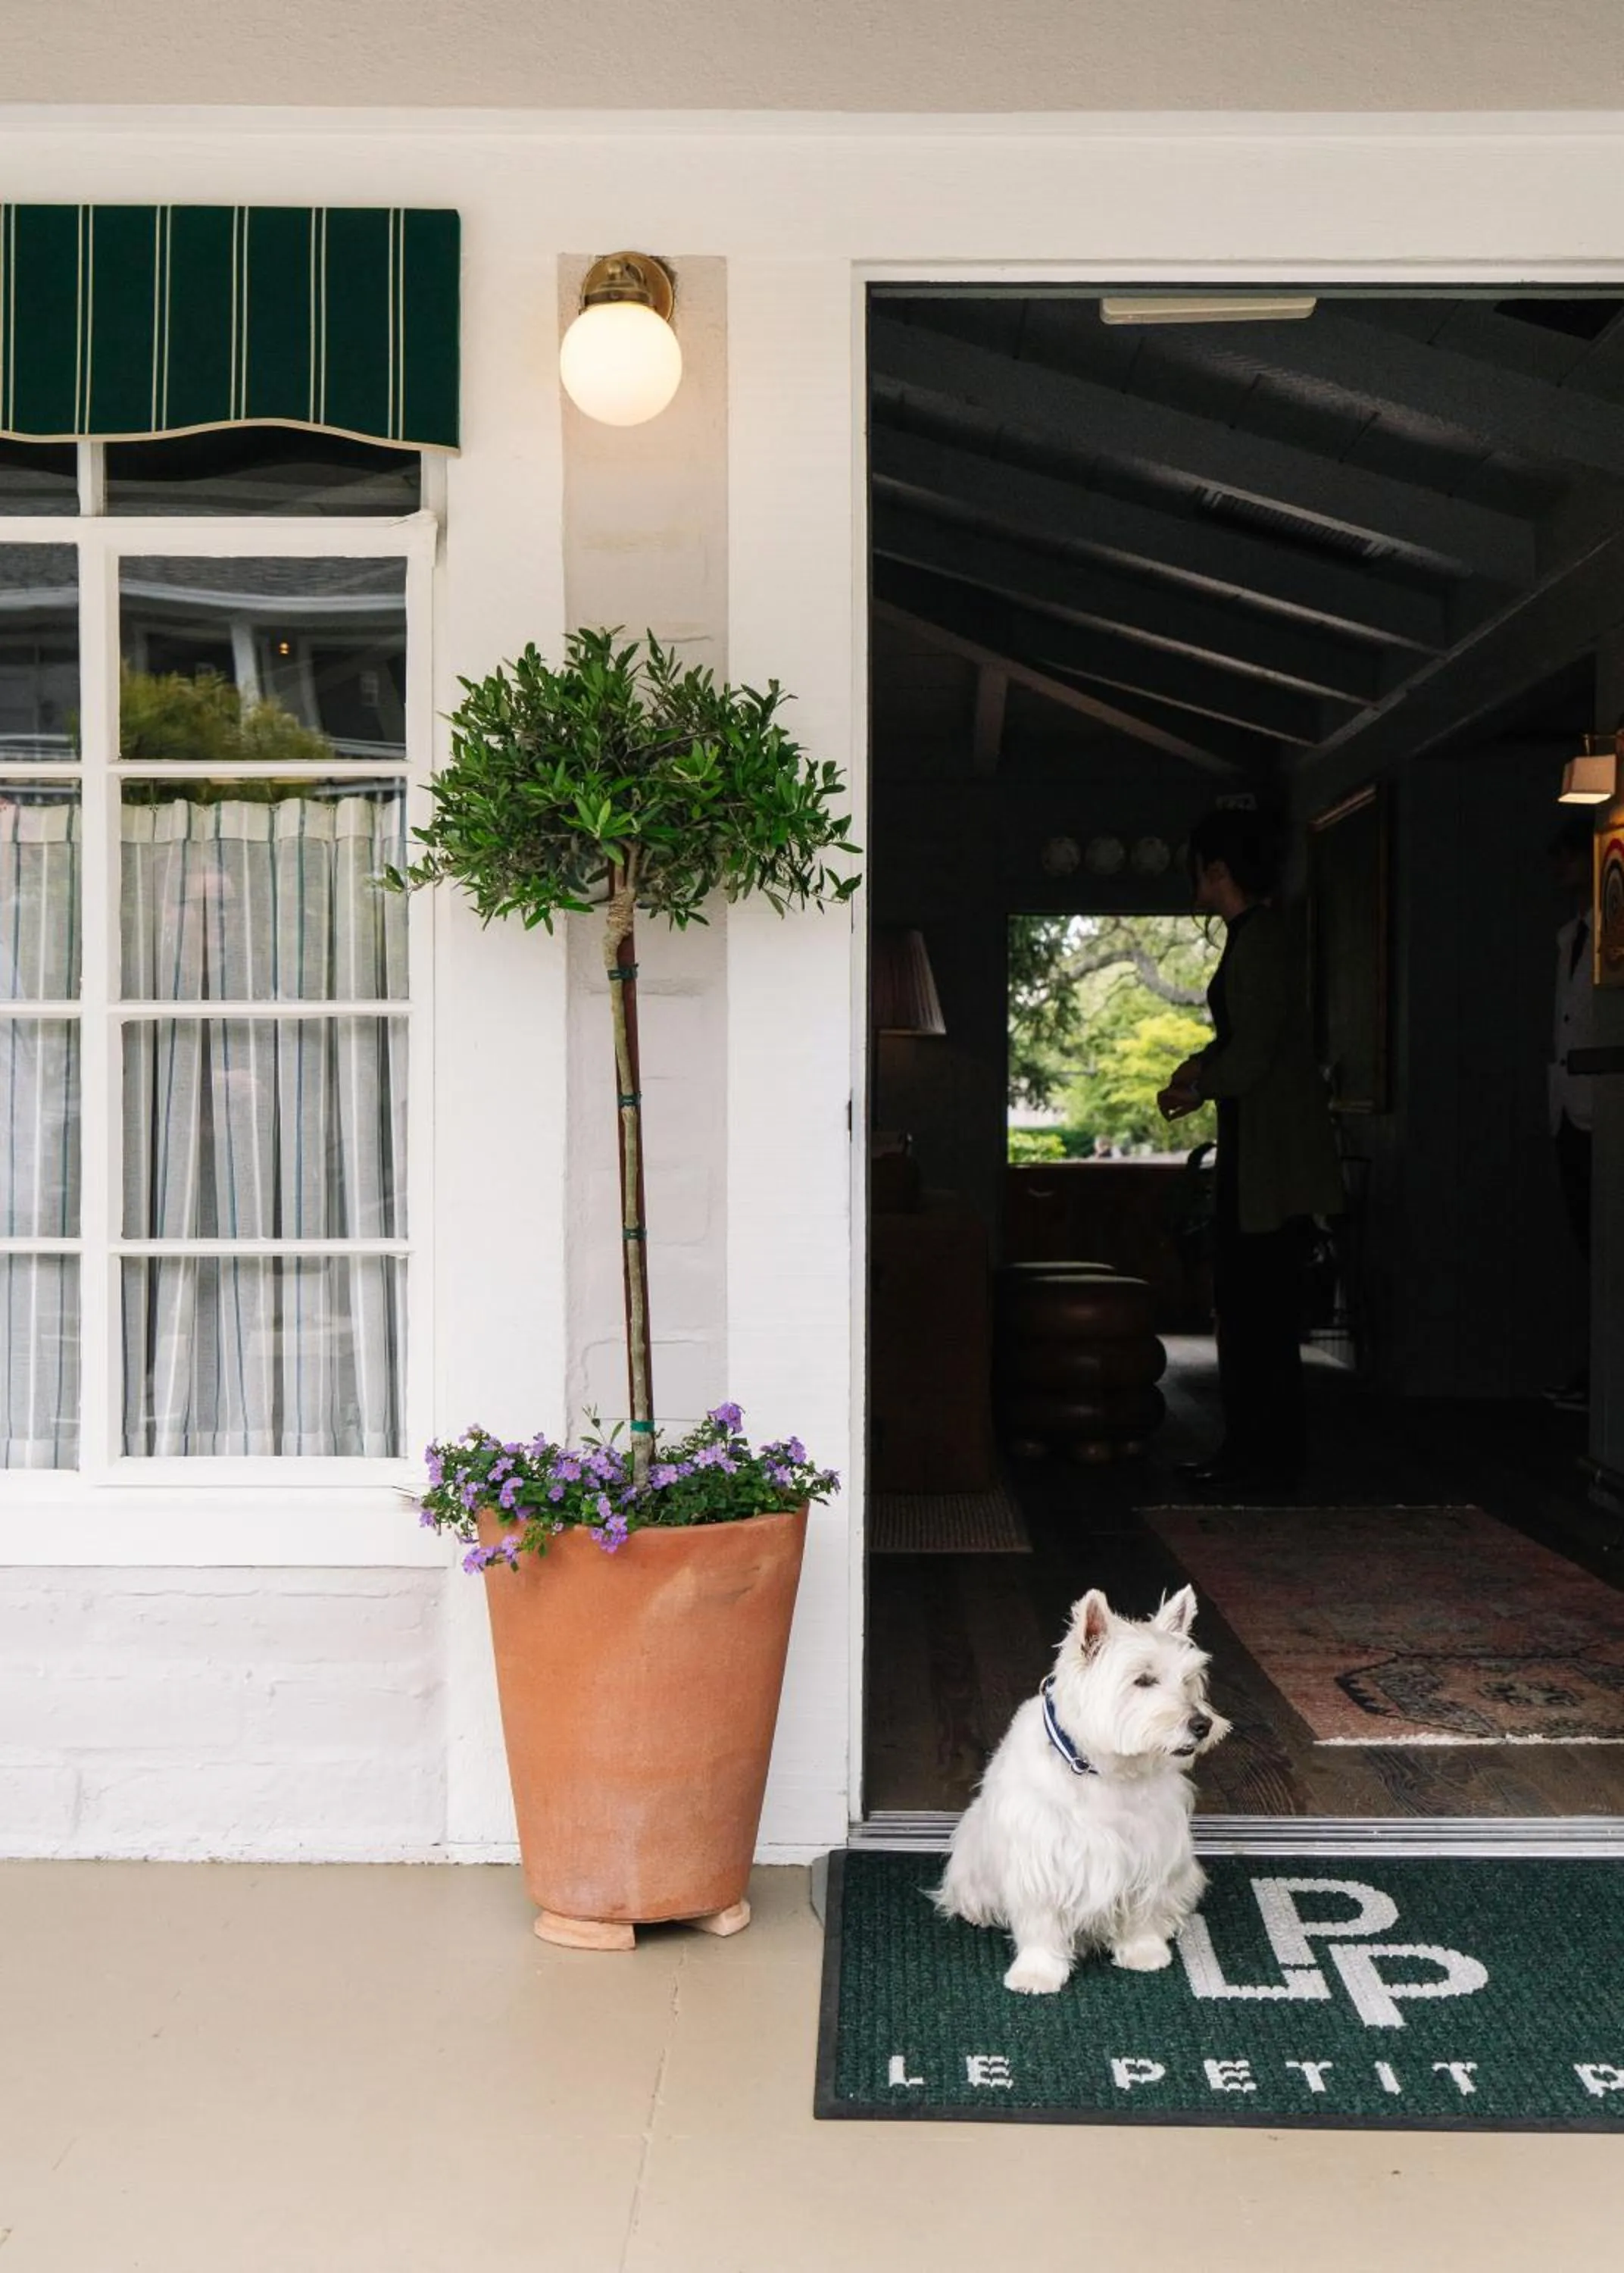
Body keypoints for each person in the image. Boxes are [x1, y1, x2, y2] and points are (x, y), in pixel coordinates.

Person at [1157, 809, 1343, 1493]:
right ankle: (1257, 1455)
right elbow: (1248, 1041)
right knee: (1251, 1308)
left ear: (1218, 870)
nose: (1193, 880)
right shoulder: (1255, 936)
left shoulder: (1260, 939)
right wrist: (1201, 1067)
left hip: (1271, 1156)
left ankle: (1259, 1459)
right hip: (1258, 1145)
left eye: (1198, 866)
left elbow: (1258, 1052)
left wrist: (1199, 1083)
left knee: (1254, 1309)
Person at [1545, 811, 1597, 1412]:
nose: (1560, 869)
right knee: (1586, 1245)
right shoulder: (1568, 936)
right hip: (1567, 1103)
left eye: (1567, 857)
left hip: (1596, 1104)